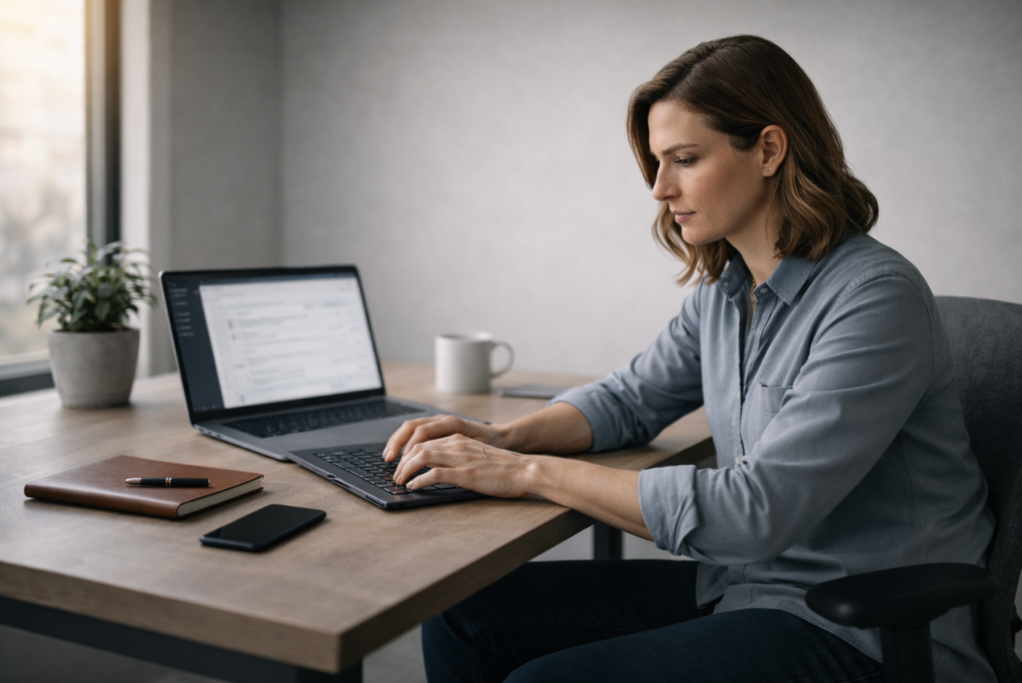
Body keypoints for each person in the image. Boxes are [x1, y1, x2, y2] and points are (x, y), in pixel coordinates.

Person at [384, 35, 996, 683]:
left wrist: (524, 470)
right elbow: (628, 399)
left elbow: (754, 511)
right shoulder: (726, 292)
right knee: (461, 616)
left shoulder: (875, 298)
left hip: (860, 627)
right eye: (655, 162)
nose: (658, 187)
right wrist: (499, 436)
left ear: (768, 149)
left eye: (684, 159)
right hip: (746, 587)